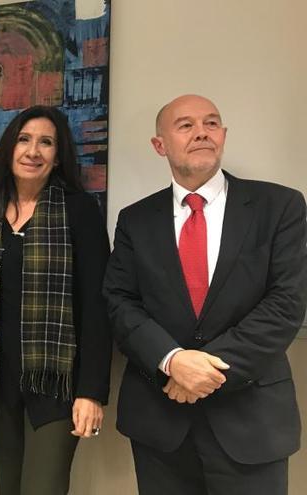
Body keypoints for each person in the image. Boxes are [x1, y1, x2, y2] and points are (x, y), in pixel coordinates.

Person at [103, 94, 306, 494]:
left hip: (251, 421)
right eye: (186, 125)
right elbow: (119, 301)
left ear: (224, 135)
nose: (201, 133)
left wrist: (201, 372)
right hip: (160, 423)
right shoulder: (135, 219)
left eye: (211, 123)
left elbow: (286, 304)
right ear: (159, 145)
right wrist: (172, 360)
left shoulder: (279, 206)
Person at [0, 105, 111, 494]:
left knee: (44, 487)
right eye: (24, 140)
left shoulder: (78, 211)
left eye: (46, 143)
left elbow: (98, 306)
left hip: (57, 381)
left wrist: (91, 391)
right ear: (9, 148)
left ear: (58, 156)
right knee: (8, 487)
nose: (33, 151)